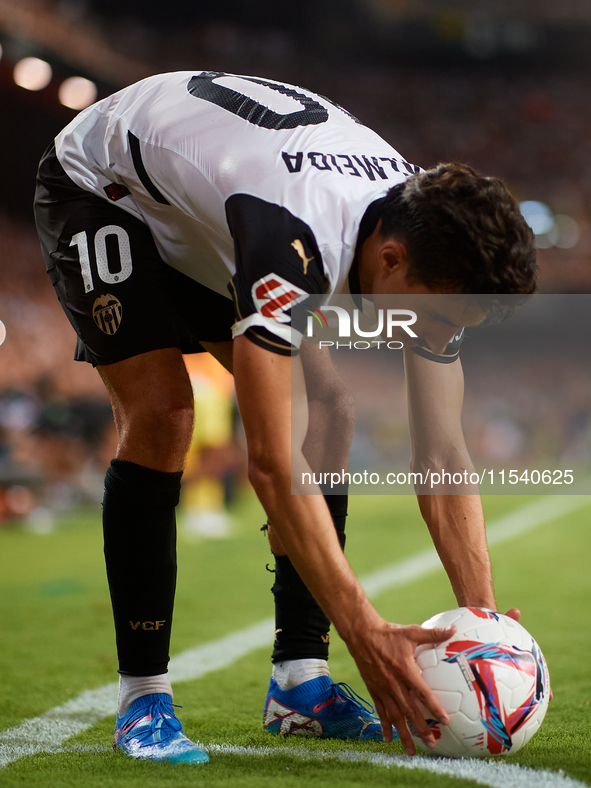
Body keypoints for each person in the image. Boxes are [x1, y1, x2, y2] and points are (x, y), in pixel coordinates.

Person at [33, 70, 537, 764]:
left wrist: (481, 625)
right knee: (166, 412)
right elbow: (270, 465)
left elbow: (443, 454)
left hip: (212, 198)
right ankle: (143, 695)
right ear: (389, 260)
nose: (433, 336)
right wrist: (364, 629)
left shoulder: (434, 231)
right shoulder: (292, 236)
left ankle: (300, 683)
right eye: (436, 318)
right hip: (106, 185)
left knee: (328, 409)